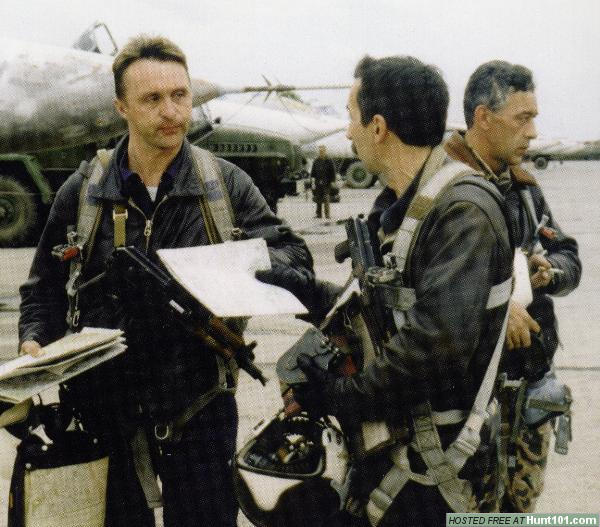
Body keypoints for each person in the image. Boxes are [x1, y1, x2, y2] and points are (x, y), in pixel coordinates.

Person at [18, 35, 315, 527]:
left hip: (199, 409)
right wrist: (33, 340)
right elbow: (43, 288)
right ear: (121, 107)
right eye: (152, 99)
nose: (171, 112)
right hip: (103, 411)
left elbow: (294, 258)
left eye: (180, 95)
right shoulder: (85, 191)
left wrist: (222, 272)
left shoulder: (225, 186)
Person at [292, 55, 514, 526]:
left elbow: (435, 344)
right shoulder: (402, 207)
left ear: (377, 127)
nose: (347, 132)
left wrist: (341, 396)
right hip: (400, 460)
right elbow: (390, 308)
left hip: (439, 472)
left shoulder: (463, 212)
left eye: (351, 118)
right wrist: (308, 291)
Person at [444, 60, 581, 512]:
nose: (533, 132)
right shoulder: (441, 186)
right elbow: (425, 286)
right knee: (466, 513)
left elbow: (568, 255)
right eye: (523, 119)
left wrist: (549, 271)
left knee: (517, 510)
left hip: (527, 387)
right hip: (467, 404)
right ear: (483, 117)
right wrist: (497, 307)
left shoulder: (523, 190)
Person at [311, 145, 336, 219]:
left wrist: (332, 181)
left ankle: (327, 215)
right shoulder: (316, 161)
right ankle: (318, 214)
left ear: (325, 151)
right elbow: (313, 172)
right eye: (320, 151)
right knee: (318, 199)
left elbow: (333, 171)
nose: (321, 152)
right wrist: (312, 182)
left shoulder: (329, 160)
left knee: (326, 198)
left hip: (327, 182)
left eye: (322, 151)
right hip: (318, 182)